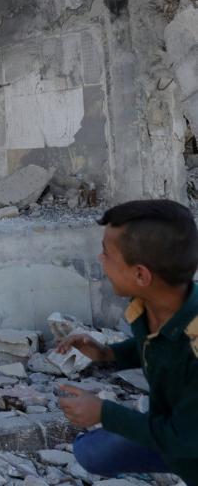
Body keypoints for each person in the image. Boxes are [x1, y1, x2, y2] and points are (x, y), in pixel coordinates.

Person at [55, 199, 198, 485]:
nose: (99, 259)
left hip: (187, 441)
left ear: (141, 275)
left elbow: (183, 439)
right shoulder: (150, 306)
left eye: (107, 254)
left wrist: (104, 412)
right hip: (177, 428)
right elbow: (157, 347)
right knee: (91, 452)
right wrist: (107, 353)